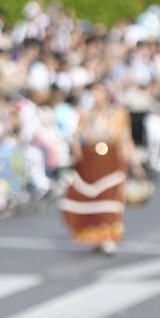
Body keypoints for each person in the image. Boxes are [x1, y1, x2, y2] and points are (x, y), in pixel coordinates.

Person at [61, 82, 144, 255]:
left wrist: (135, 163)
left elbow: (124, 139)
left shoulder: (119, 113)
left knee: (111, 199)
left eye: (98, 92)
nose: (95, 96)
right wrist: (77, 156)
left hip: (112, 160)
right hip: (91, 160)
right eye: (93, 93)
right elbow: (77, 137)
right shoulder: (86, 113)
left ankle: (108, 238)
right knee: (91, 199)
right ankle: (95, 237)